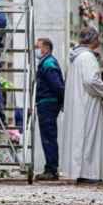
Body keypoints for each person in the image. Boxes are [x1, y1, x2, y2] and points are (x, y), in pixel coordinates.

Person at [60, 27, 103, 184]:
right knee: (89, 137)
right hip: (88, 103)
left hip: (79, 102)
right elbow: (91, 81)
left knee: (81, 137)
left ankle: (81, 171)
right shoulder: (88, 57)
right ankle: (90, 172)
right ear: (93, 40)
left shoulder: (76, 57)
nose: (99, 41)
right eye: (97, 38)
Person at [34, 37, 65, 181]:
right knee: (48, 136)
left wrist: (61, 101)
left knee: (48, 137)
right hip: (47, 102)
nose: (35, 50)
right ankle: (50, 168)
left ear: (45, 48)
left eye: (37, 47)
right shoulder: (46, 62)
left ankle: (51, 170)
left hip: (48, 103)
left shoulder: (48, 63)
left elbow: (57, 86)